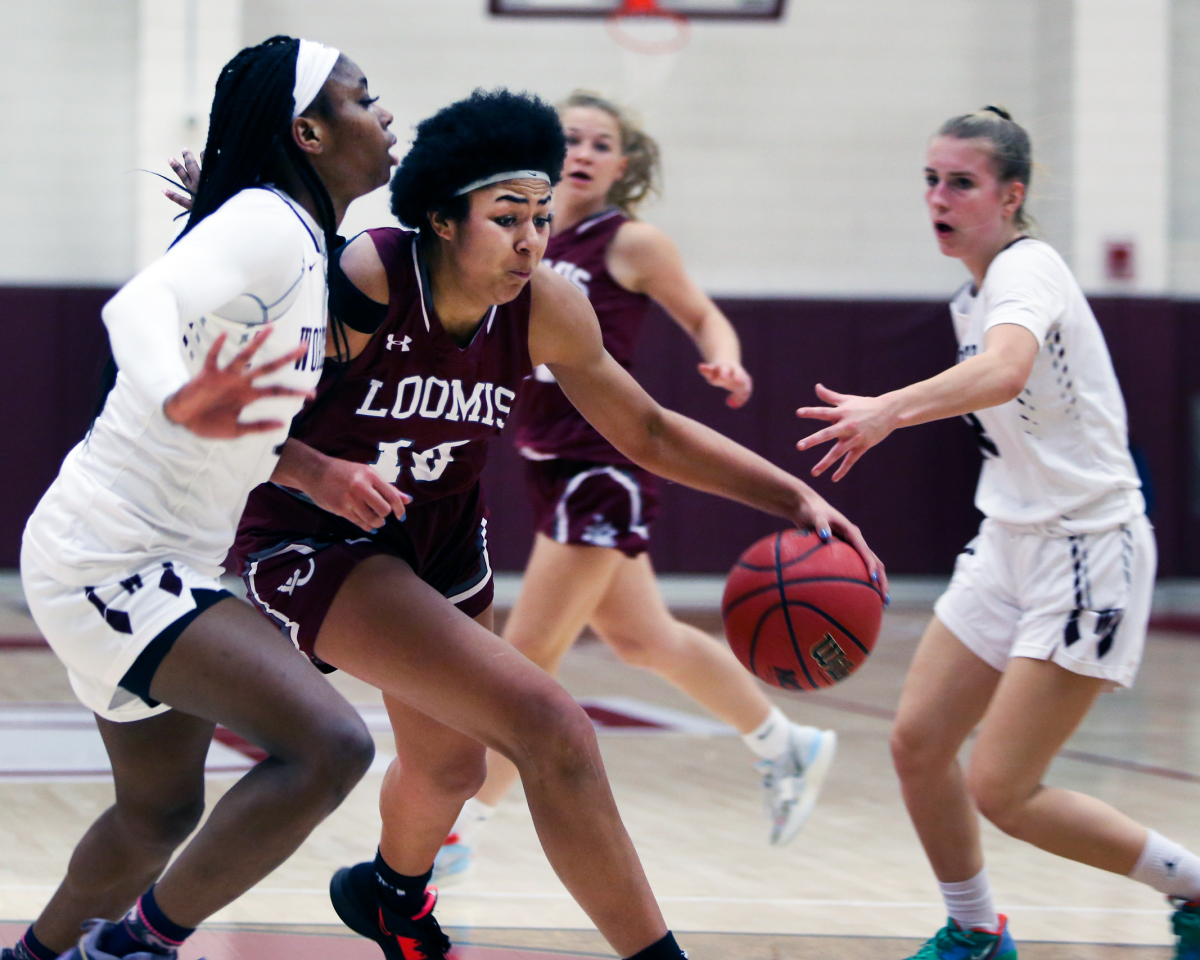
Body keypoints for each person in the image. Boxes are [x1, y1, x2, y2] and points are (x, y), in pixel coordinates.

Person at [222, 89, 886, 960]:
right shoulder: (372, 278)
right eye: (507, 218)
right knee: (552, 725)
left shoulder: (547, 304)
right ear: (444, 220)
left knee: (453, 768)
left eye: (539, 216)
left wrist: (790, 497)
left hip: (443, 539)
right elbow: (231, 402)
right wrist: (318, 470)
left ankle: (392, 893)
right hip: (317, 536)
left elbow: (646, 429)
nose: (532, 238)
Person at [9, 36, 397, 960]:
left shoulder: (296, 235)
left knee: (157, 815)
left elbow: (248, 422)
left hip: (150, 556)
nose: (384, 113)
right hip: (114, 555)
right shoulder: (265, 221)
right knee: (332, 748)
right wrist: (178, 391)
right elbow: (134, 309)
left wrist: (313, 472)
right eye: (362, 97)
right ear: (305, 131)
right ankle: (136, 946)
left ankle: (34, 958)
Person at [795, 106, 1199, 960]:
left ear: (1011, 196)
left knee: (1004, 790)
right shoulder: (974, 291)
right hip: (1008, 539)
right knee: (917, 743)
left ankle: (1194, 884)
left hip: (1088, 548)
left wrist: (887, 411)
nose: (939, 198)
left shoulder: (1027, 269)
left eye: (962, 183)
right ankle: (976, 932)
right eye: (931, 181)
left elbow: (1006, 368)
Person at [431, 91, 838, 885]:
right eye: (571, 138)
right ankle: (784, 743)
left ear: (624, 164)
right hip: (548, 461)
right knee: (642, 640)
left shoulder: (632, 243)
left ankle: (461, 828)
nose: (583, 151)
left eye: (601, 142)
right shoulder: (517, 234)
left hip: (602, 467)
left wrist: (725, 358)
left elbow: (704, 315)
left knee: (528, 654)